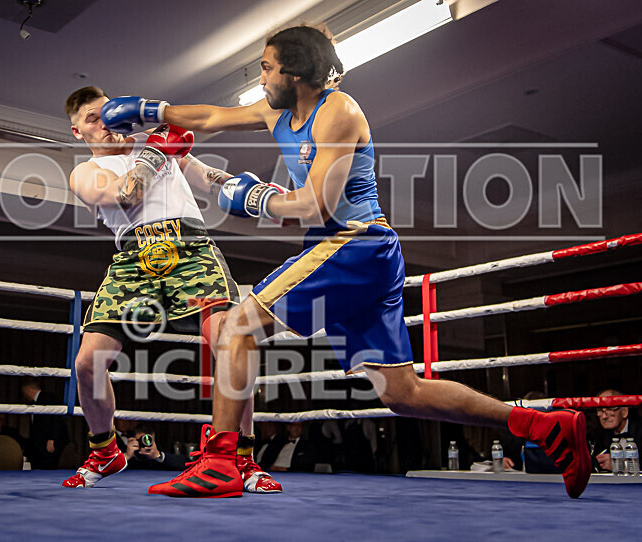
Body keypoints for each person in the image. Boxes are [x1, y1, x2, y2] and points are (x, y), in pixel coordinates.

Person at [100, 25, 591, 498]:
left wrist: (252, 198)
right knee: (403, 393)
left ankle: (222, 463)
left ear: (294, 74)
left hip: (356, 244)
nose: (261, 78)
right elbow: (210, 117)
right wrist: (154, 112)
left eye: (267, 68)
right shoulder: (277, 112)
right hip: (363, 257)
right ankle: (545, 425)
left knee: (236, 327)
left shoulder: (339, 113)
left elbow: (315, 207)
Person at [59, 86, 281, 493]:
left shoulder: (153, 144)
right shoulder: (85, 173)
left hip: (191, 249)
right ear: (78, 132)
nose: (105, 124)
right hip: (133, 258)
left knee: (232, 342)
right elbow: (126, 197)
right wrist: (157, 153)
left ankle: (242, 459)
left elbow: (212, 180)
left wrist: (261, 196)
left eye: (108, 114)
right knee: (88, 362)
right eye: (93, 119)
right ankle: (105, 450)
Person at [21, 378, 69, 469]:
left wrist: (52, 439)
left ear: (28, 389)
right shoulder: (33, 403)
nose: (24, 394)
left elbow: (56, 418)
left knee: (49, 467)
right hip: (39, 445)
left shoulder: (47, 397)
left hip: (49, 443)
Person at [591, 389, 642, 472]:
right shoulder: (598, 436)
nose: (604, 416)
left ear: (624, 411)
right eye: (600, 410)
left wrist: (620, 466)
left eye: (609, 408)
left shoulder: (639, 431)